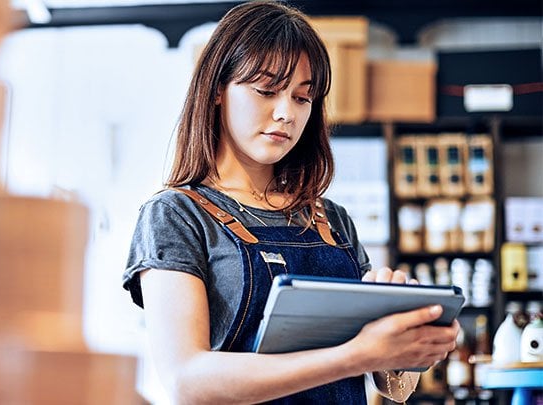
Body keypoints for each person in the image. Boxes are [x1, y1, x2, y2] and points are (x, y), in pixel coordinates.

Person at [123, 1, 459, 403]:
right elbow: (188, 380)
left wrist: (405, 344)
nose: (286, 114)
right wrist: (356, 355)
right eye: (266, 90)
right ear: (216, 90)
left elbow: (392, 387)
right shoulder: (177, 216)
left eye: (303, 98)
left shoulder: (330, 219)